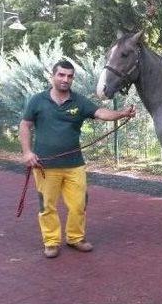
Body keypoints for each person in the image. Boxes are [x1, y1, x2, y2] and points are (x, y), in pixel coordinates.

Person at [19, 60, 136, 258]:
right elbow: (25, 126)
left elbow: (100, 113)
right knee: (47, 206)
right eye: (61, 75)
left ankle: (75, 238)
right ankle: (51, 242)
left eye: (69, 76)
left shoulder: (79, 101)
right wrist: (27, 152)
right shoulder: (37, 101)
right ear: (53, 76)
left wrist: (122, 113)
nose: (65, 79)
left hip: (74, 165)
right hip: (45, 166)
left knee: (78, 204)